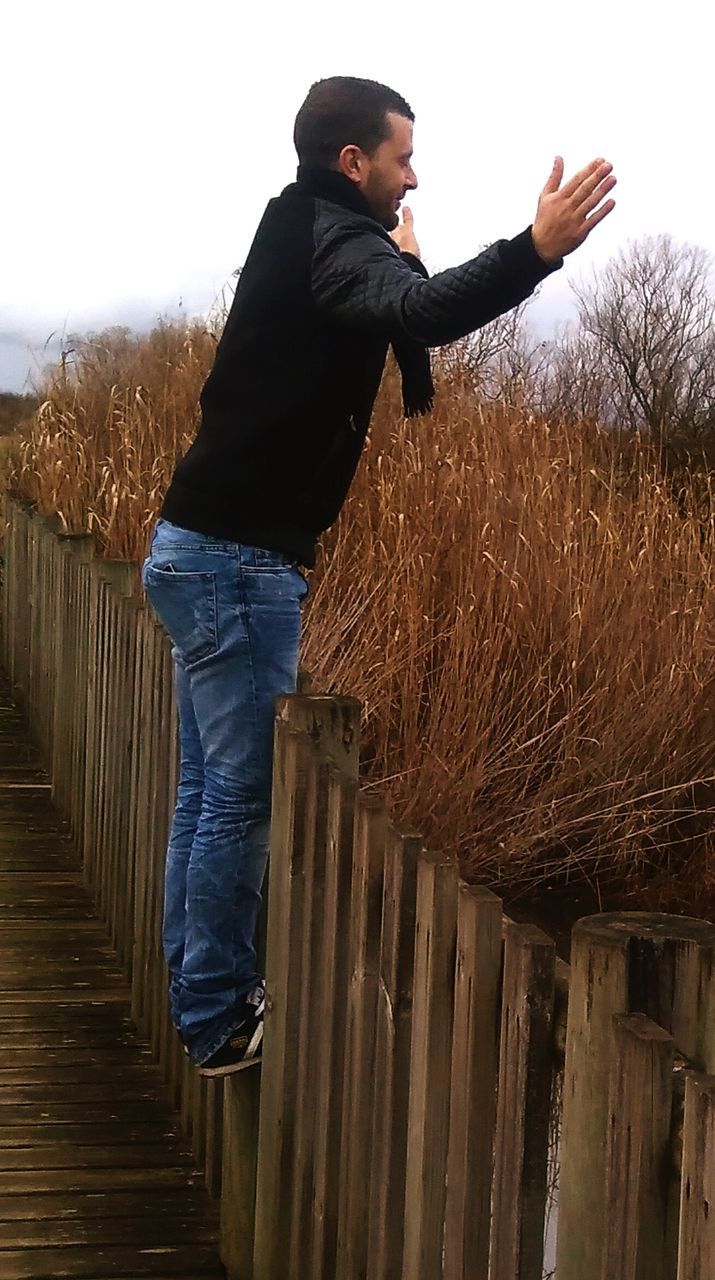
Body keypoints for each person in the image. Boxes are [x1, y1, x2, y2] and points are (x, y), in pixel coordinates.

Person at [141, 75, 616, 1077]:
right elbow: (426, 312)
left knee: (206, 789)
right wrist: (533, 252)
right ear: (353, 162)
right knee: (234, 797)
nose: (414, 173)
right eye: (402, 157)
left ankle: (195, 983)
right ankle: (217, 1018)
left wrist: (412, 266)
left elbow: (406, 337)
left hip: (198, 546)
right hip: (237, 563)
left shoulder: (310, 229)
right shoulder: (336, 240)